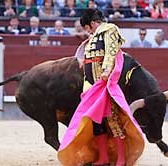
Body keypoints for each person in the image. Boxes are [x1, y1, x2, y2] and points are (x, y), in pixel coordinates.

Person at [58, 9, 145, 166]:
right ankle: (103, 158)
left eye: (87, 28)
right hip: (92, 86)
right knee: (96, 122)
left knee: (113, 119)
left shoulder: (109, 29)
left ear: (91, 24)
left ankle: (121, 159)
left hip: (105, 84)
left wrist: (106, 70)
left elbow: (111, 51)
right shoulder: (92, 38)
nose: (87, 31)